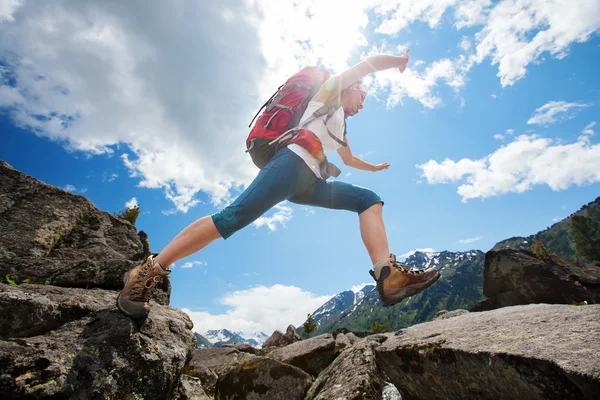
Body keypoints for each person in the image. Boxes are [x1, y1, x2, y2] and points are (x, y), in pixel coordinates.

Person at [116, 50, 440, 320]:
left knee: (368, 199)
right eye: (363, 94)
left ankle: (388, 275)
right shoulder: (328, 91)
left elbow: (350, 159)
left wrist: (375, 167)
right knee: (231, 218)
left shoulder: (338, 123)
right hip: (290, 164)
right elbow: (366, 64)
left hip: (308, 181)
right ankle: (148, 271)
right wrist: (396, 60)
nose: (364, 103)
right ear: (350, 86)